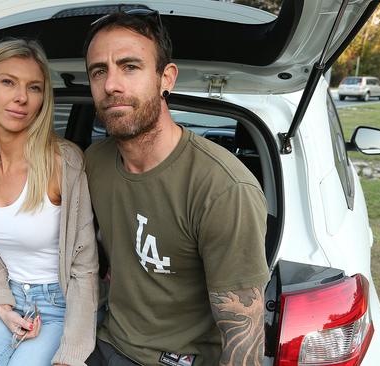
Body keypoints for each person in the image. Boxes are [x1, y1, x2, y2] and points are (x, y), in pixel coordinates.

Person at [82, 10, 269, 366]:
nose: (111, 85)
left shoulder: (224, 189)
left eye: (130, 67)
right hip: (106, 340)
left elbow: (243, 337)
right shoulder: (94, 163)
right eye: (99, 71)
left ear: (166, 78)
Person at [0, 39, 99, 366]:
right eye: (8, 82)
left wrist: (71, 355)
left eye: (34, 87)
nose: (21, 97)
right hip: (10, 300)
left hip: (60, 307)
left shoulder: (64, 161)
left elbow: (85, 268)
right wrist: (1, 302)